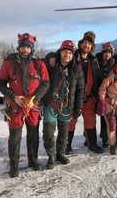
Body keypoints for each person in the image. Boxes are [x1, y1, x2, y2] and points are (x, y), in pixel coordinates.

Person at [0, 33, 50, 178]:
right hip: (15, 106)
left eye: (28, 47)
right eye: (23, 46)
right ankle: (14, 166)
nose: (25, 49)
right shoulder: (9, 62)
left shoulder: (39, 64)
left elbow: (45, 83)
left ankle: (33, 161)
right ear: (19, 47)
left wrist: (34, 98)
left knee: (33, 135)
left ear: (32, 48)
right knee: (15, 137)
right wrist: (14, 97)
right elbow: (0, 83)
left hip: (33, 106)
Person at [41, 40, 84, 169]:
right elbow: (40, 63)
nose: (67, 55)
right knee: (48, 132)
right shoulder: (51, 65)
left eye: (70, 53)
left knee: (64, 133)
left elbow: (80, 90)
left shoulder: (76, 70)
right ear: (60, 52)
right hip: (51, 103)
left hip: (66, 105)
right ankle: (51, 156)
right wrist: (49, 57)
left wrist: (78, 107)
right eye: (65, 52)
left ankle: (60, 153)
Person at [67, 32, 104, 153]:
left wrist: (97, 96)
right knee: (71, 121)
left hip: (89, 97)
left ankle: (91, 143)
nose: (87, 45)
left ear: (92, 47)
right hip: (73, 97)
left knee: (90, 120)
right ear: (80, 44)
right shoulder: (72, 57)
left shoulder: (93, 61)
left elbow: (97, 78)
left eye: (89, 44)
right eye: (85, 43)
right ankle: (67, 145)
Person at [95, 42, 116, 147]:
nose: (107, 55)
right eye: (106, 53)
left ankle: (106, 138)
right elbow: (95, 76)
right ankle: (88, 136)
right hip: (98, 92)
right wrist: (102, 73)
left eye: (109, 53)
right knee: (96, 116)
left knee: (108, 117)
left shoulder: (114, 63)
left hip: (110, 94)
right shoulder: (97, 63)